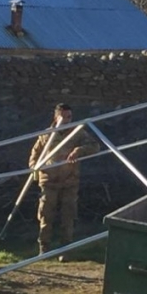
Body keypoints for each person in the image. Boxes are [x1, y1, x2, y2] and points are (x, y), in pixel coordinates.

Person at [29, 103, 100, 255]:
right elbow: (35, 155)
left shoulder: (77, 133)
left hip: (69, 180)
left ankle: (65, 249)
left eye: (69, 117)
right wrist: (36, 170)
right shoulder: (46, 135)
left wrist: (79, 151)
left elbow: (95, 146)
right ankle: (44, 247)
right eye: (63, 116)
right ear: (56, 116)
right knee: (46, 214)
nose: (67, 120)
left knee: (68, 215)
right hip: (49, 181)